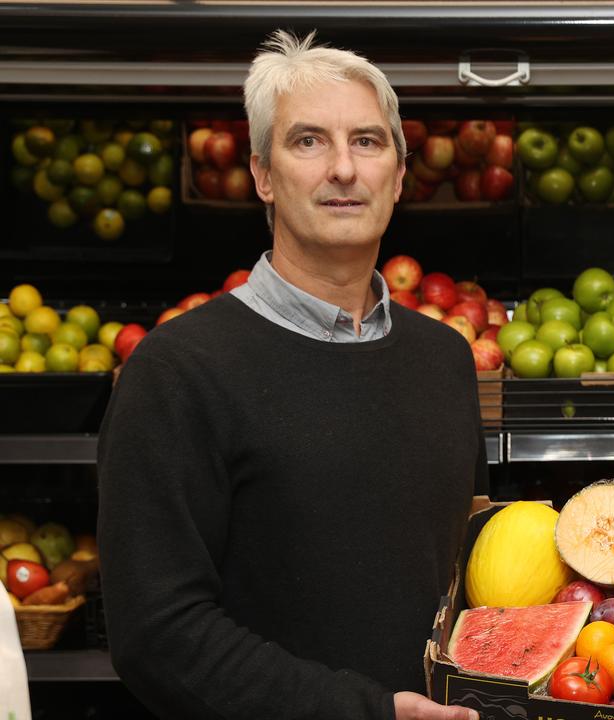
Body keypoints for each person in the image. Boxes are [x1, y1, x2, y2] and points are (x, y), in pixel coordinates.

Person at [97, 30, 483, 720]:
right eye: (308, 141)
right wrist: (367, 711)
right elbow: (157, 635)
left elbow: (455, 578)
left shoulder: (444, 359)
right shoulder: (178, 372)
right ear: (262, 175)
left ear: (398, 175)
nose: (342, 168)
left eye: (367, 142)